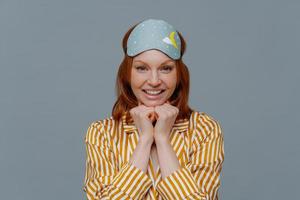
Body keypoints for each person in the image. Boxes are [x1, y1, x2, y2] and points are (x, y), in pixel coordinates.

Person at [82, 18, 225, 200]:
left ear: (179, 74)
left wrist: (163, 139)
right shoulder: (102, 133)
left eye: (166, 68)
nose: (155, 80)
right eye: (142, 68)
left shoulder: (204, 129)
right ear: (127, 74)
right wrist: (145, 140)